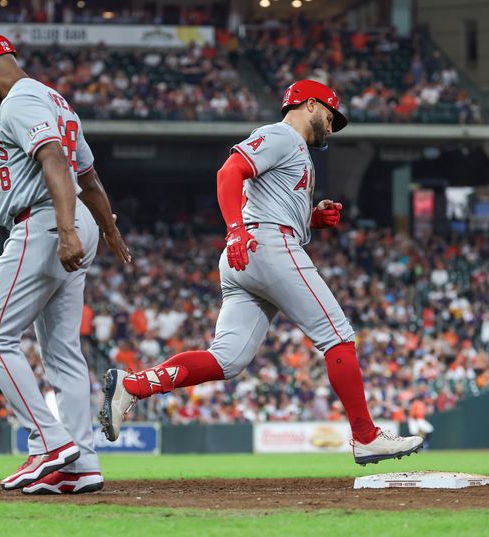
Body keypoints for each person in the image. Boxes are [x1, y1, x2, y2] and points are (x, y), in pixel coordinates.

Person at [100, 80, 423, 465]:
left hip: (254, 250)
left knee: (227, 360)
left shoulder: (296, 151)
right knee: (337, 336)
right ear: (309, 104)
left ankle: (133, 385)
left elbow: (272, 204)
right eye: (330, 114)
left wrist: (312, 218)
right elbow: (229, 173)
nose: (333, 125)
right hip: (266, 245)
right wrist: (235, 229)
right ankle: (366, 437)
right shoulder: (281, 136)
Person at [0, 34, 131, 494]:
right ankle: (82, 464)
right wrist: (108, 230)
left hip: (45, 221)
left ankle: (49, 441)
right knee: (62, 353)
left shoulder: (20, 99)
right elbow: (89, 176)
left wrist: (68, 229)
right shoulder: (57, 101)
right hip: (71, 217)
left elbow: (54, 159)